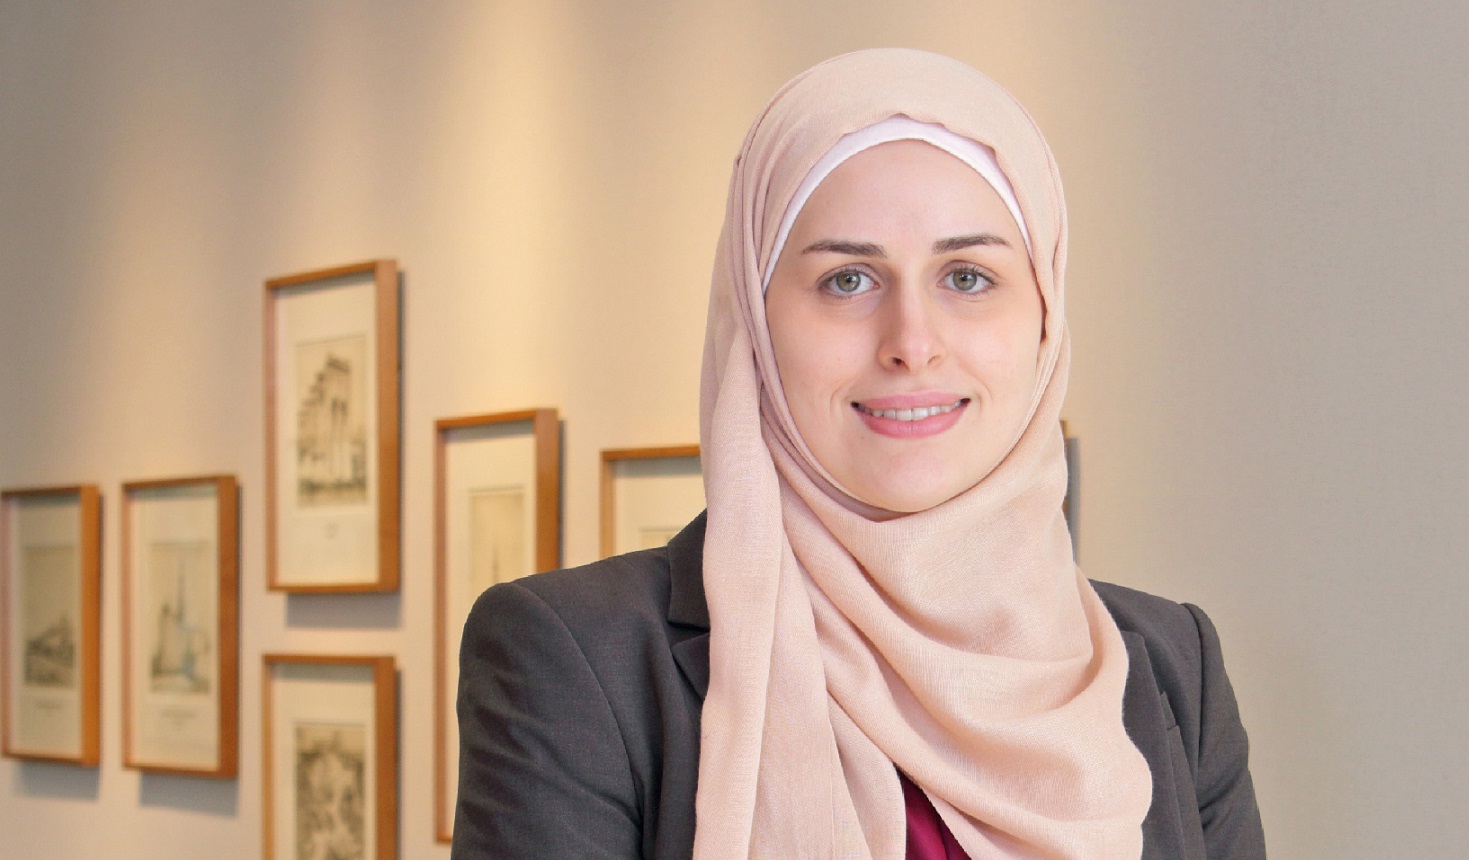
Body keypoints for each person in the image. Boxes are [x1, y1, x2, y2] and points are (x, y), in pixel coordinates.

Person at [453, 48, 1265, 859]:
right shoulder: (577, 658)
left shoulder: (1169, 665)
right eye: (847, 279)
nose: (912, 342)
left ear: (1045, 317)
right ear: (755, 322)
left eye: (967, 277)